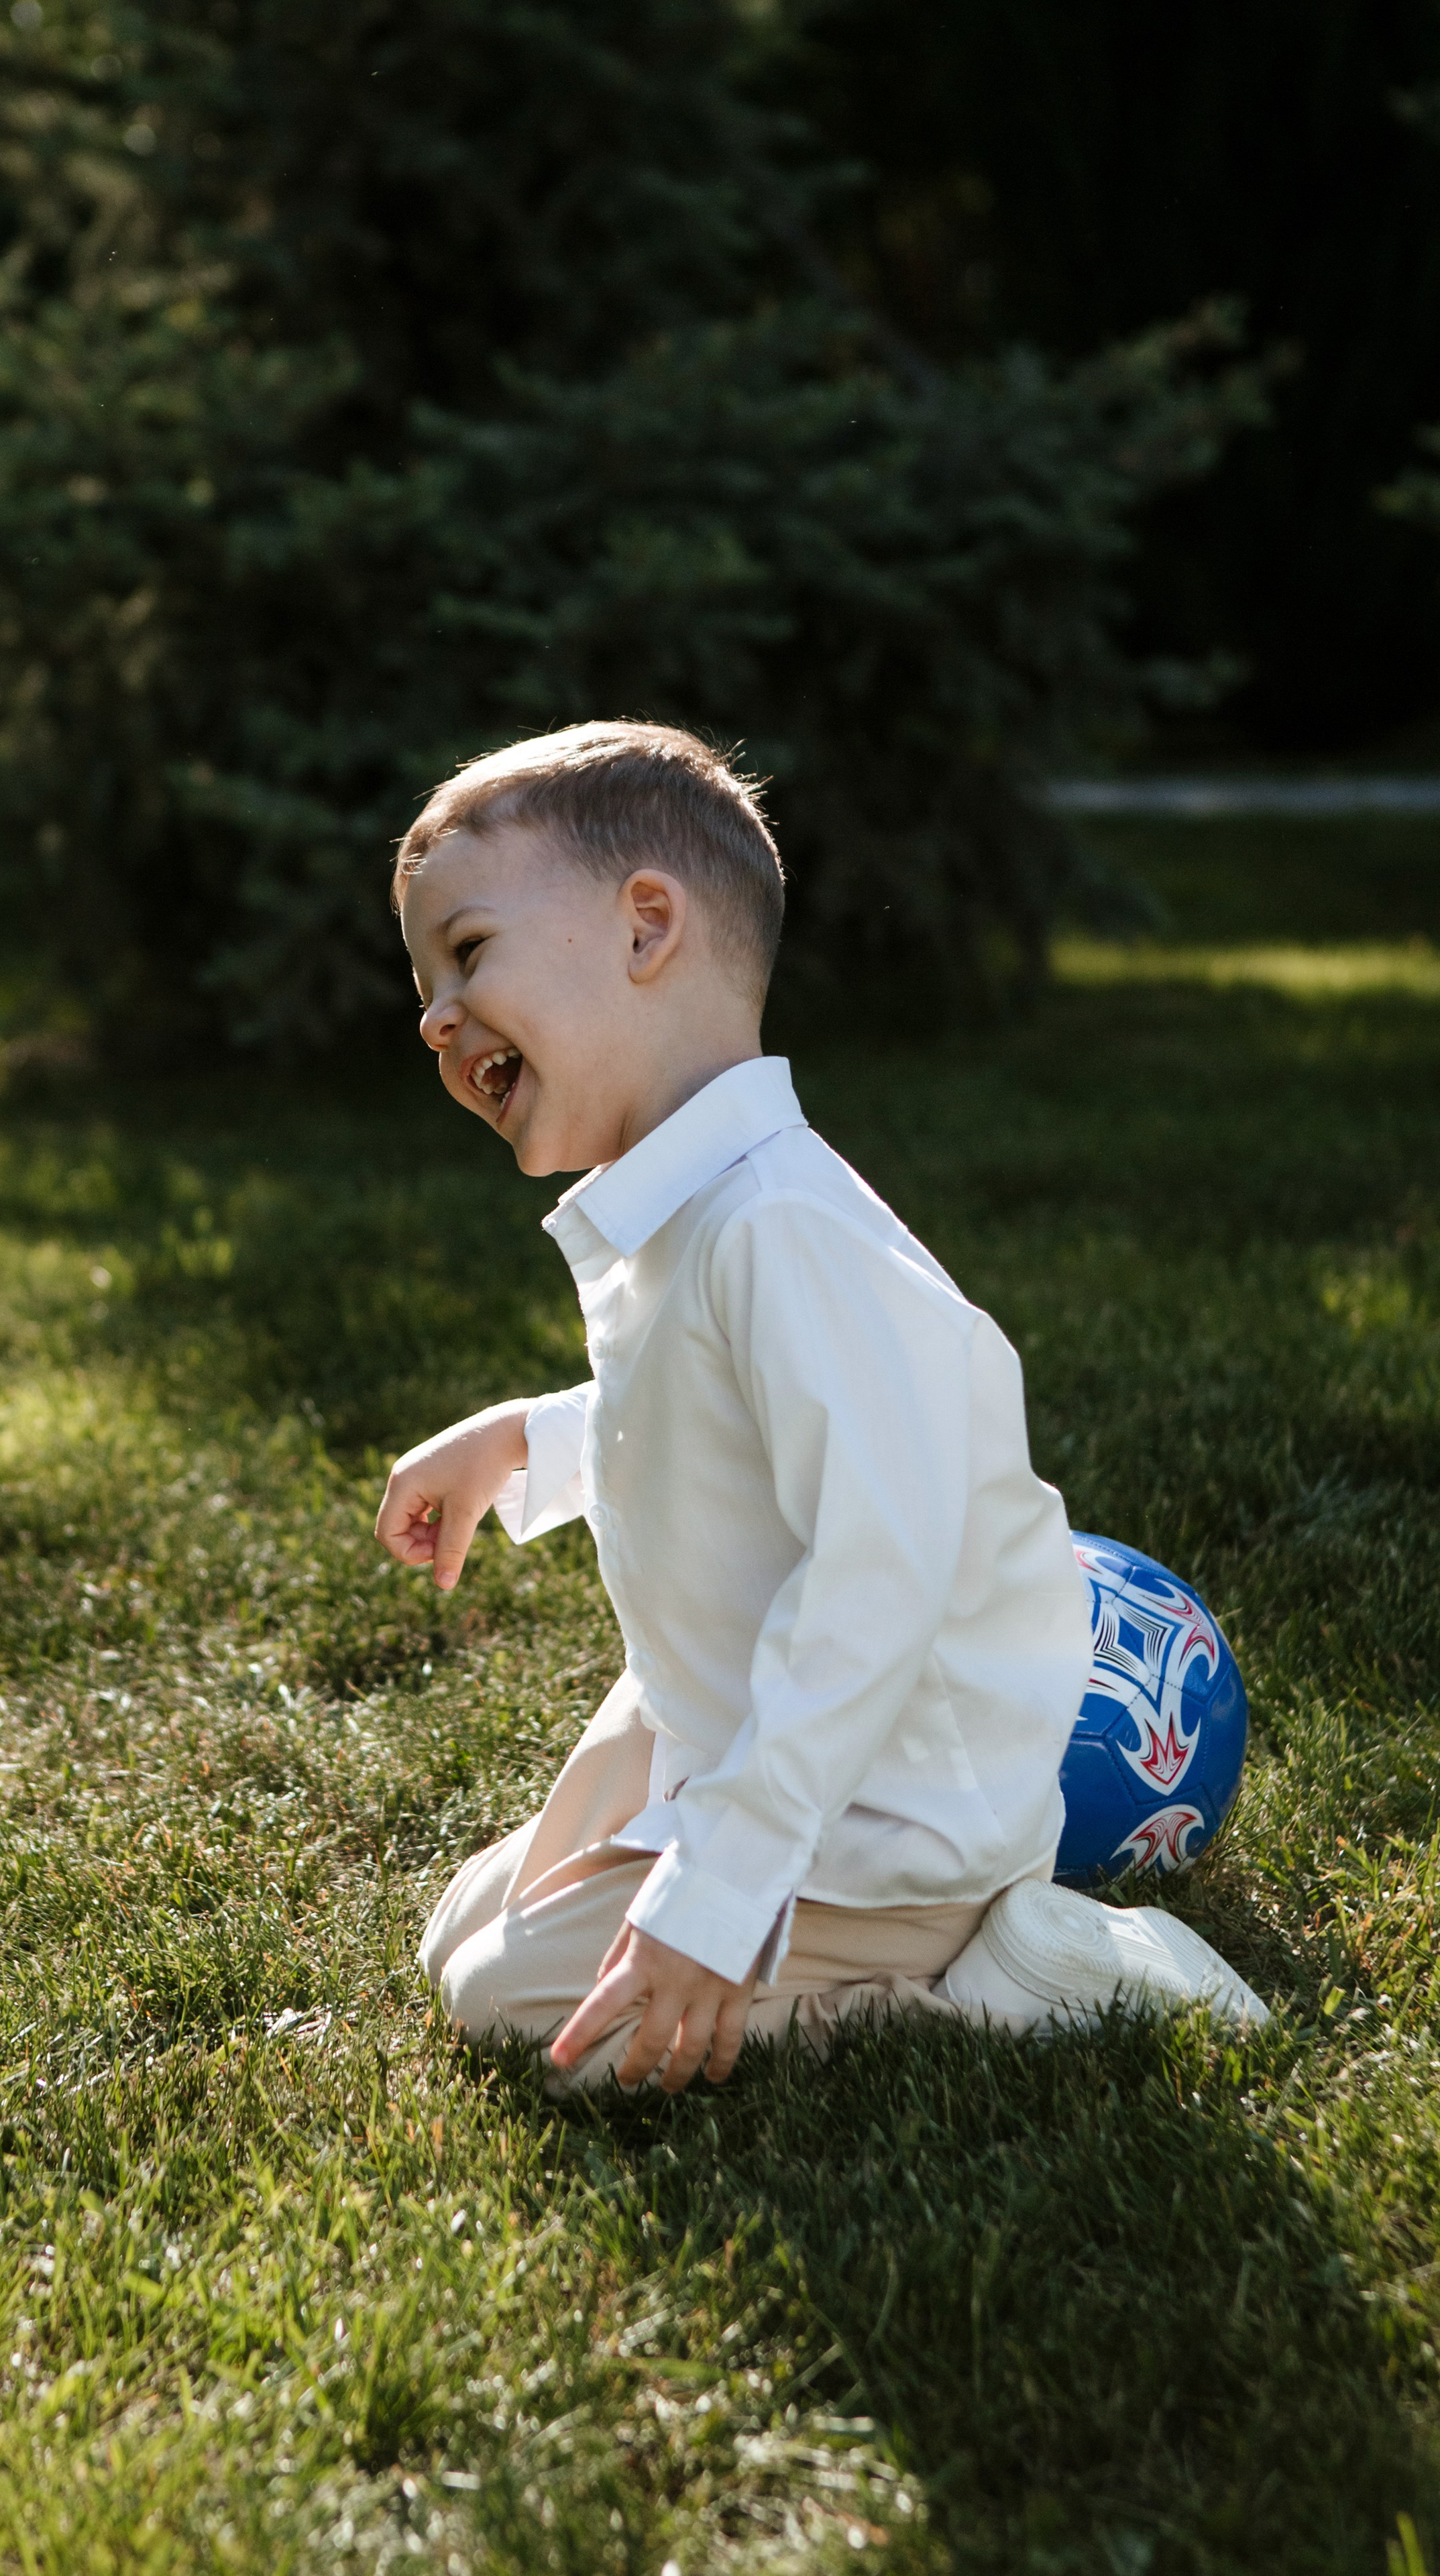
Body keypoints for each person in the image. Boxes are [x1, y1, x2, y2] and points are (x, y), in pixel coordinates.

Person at [376, 721, 1266, 2092]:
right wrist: (524, 1443)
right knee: (456, 1943)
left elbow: (875, 1577)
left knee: (522, 2017)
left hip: (890, 1791)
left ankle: (1012, 1971)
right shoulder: (685, 1210)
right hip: (715, 1711)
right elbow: (690, 1426)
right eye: (425, 980)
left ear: (646, 927)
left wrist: (722, 1894)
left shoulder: (782, 1228)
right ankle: (738, 1882)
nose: (435, 1013)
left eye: (469, 951)